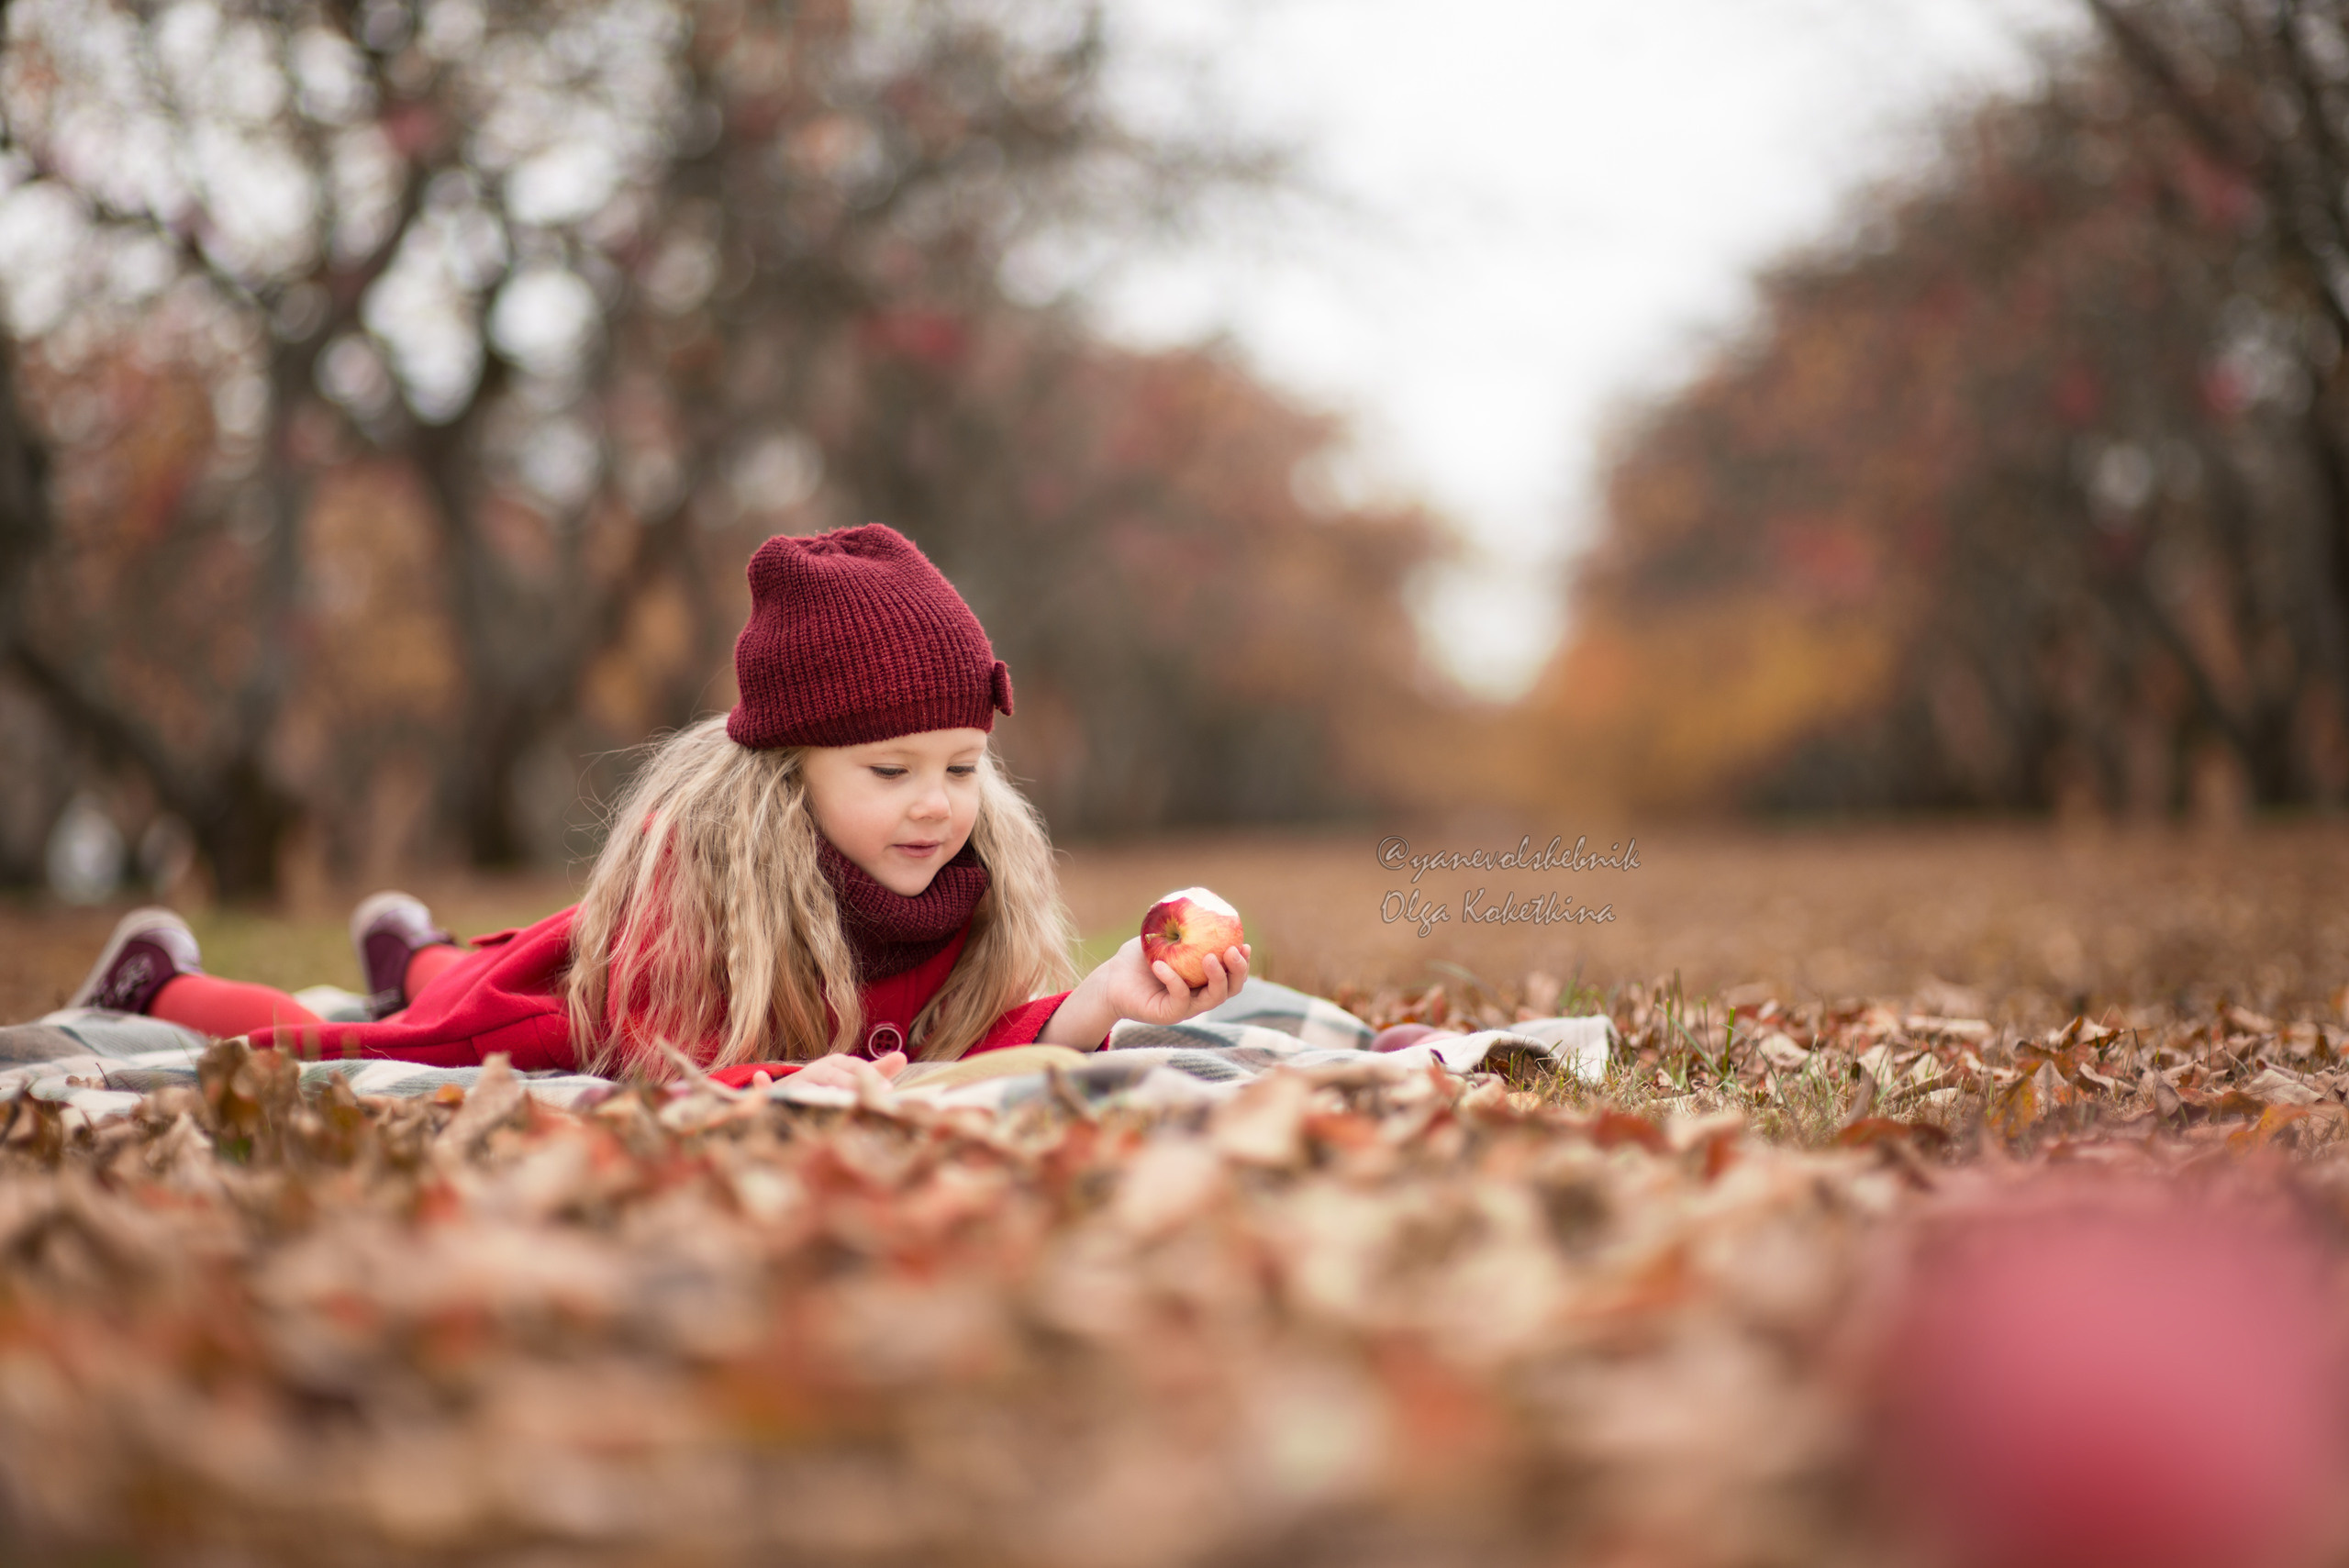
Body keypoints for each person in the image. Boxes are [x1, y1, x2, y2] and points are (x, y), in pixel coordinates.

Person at [63, 524, 1250, 1090]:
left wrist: (1097, 1001)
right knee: (388, 1033)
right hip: (574, 1004)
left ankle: (412, 947)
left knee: (445, 974)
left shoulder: (953, 880)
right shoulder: (704, 879)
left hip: (598, 974)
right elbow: (652, 1055)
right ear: (788, 770)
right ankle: (159, 981)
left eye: (961, 765)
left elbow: (944, 1043)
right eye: (890, 772)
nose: (936, 805)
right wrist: (774, 1085)